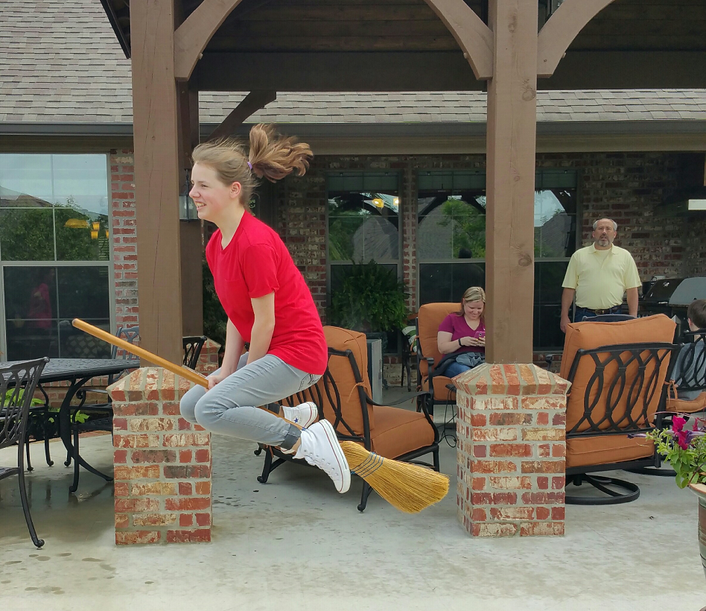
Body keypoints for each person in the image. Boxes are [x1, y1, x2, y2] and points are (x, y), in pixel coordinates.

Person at [179, 124, 350, 494]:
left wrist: (243, 378)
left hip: (297, 355)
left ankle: (307, 442)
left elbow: (265, 321)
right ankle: (287, 415)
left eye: (203, 185)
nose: (193, 193)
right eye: (193, 184)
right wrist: (226, 370)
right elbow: (236, 315)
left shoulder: (254, 243)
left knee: (211, 409)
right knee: (192, 405)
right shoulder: (216, 245)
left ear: (234, 190)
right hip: (271, 351)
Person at [560, 218, 641, 333]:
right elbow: (569, 288)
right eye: (600, 228)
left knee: (613, 351)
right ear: (593, 234)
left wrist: (633, 317)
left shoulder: (625, 256)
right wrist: (564, 316)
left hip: (614, 317)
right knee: (585, 350)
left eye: (608, 229)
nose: (604, 232)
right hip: (585, 317)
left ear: (614, 234)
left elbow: (632, 289)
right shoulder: (579, 256)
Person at [436, 286, 486, 378]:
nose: (475, 312)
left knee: (489, 373)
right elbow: (442, 348)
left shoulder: (487, 321)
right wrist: (461, 342)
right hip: (456, 361)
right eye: (471, 308)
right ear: (464, 302)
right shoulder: (452, 319)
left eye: (479, 309)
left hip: (481, 360)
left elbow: (502, 347)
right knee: (467, 373)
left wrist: (488, 345)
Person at [671, 299, 706, 401]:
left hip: (680, 396)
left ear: (689, 322)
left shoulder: (685, 350)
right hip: (699, 393)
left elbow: (674, 382)